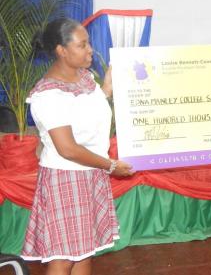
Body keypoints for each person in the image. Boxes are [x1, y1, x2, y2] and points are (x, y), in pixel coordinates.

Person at [21, 18, 134, 275]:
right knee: (63, 258)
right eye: (82, 45)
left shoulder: (84, 79)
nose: (90, 50)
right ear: (62, 51)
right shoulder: (48, 95)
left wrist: (107, 86)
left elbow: (89, 107)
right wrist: (112, 165)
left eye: (89, 44)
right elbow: (68, 149)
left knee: (84, 253)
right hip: (66, 179)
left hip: (90, 173)